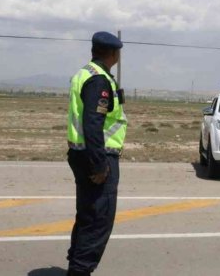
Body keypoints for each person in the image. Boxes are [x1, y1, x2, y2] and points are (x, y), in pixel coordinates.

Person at [66, 31, 128, 276]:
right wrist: (100, 165)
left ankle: (75, 265)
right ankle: (80, 270)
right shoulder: (98, 80)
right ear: (113, 53)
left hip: (82, 153)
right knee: (98, 220)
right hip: (97, 157)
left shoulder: (85, 73)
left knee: (87, 215)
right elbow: (93, 123)